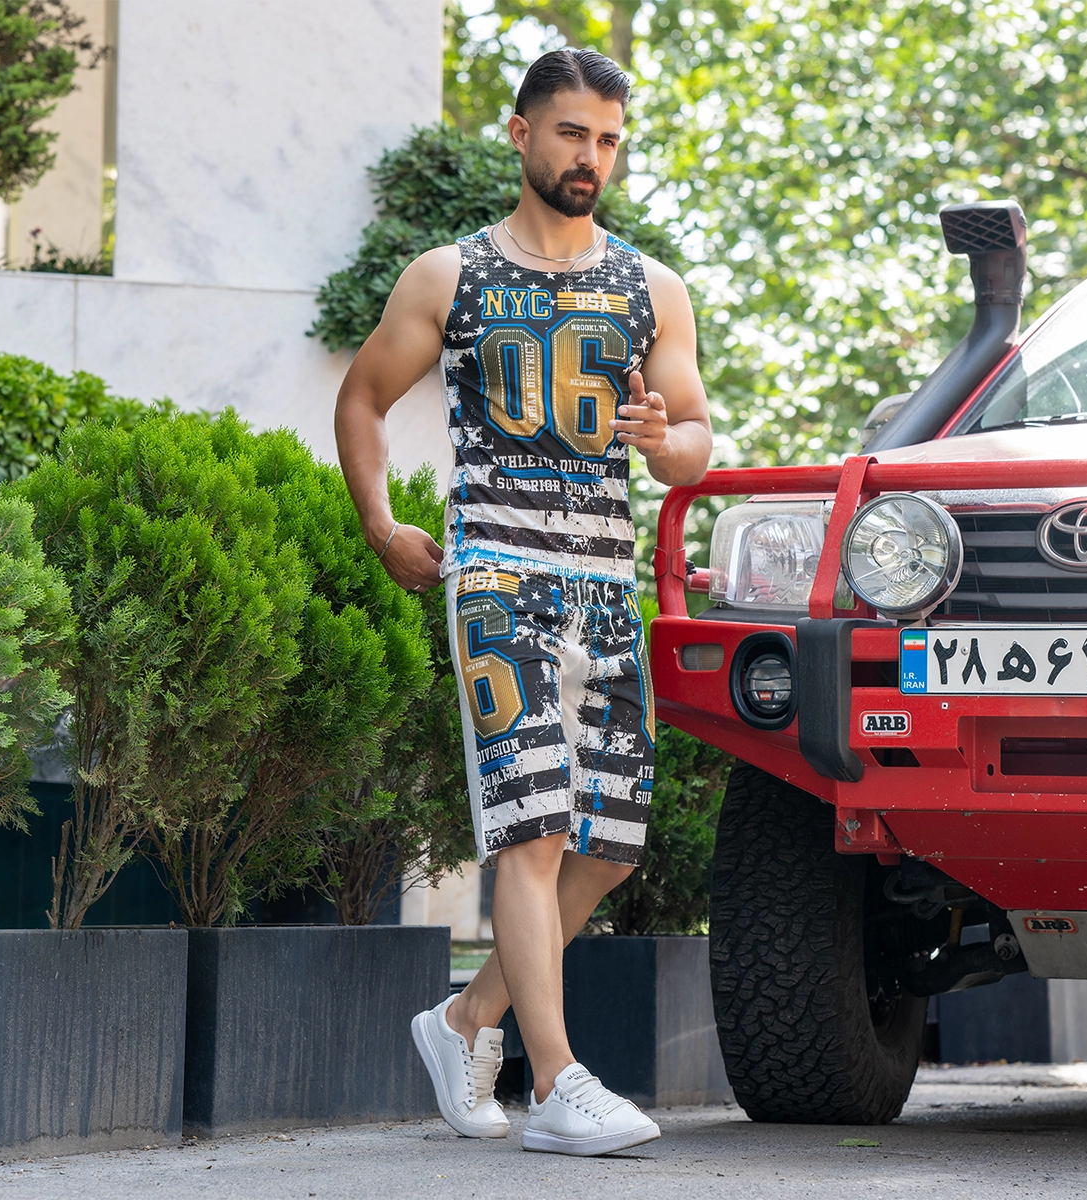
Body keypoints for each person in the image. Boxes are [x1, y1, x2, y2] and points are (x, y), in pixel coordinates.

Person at [334, 47, 711, 1157]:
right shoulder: (447, 276)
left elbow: (694, 442)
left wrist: (663, 441)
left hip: (607, 587)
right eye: (571, 134)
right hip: (497, 576)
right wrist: (382, 527)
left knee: (610, 846)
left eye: (608, 140)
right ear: (520, 133)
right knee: (536, 832)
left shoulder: (652, 288)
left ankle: (465, 1020)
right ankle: (555, 1084)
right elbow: (362, 398)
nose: (591, 157)